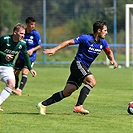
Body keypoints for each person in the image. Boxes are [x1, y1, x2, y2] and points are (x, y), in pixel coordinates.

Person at [36, 20, 118, 115]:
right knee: (92, 81)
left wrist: (113, 60)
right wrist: (54, 49)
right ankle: (78, 106)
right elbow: (68, 42)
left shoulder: (103, 42)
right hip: (77, 64)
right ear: (99, 30)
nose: (106, 33)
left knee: (67, 92)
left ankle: (42, 104)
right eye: (105, 30)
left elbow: (108, 51)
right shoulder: (85, 38)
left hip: (84, 67)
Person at [0, 23, 37, 111]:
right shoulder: (5, 39)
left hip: (7, 66)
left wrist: (30, 68)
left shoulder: (22, 44)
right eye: (21, 33)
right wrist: (4, 54)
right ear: (15, 32)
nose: (23, 36)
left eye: (24, 34)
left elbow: (25, 55)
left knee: (11, 84)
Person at [13, 17, 42, 96]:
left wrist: (32, 50)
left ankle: (20, 90)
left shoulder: (35, 34)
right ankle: (15, 88)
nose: (33, 26)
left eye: (34, 24)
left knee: (24, 72)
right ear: (27, 24)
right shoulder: (23, 32)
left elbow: (39, 46)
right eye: (31, 24)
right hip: (21, 56)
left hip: (30, 57)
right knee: (16, 72)